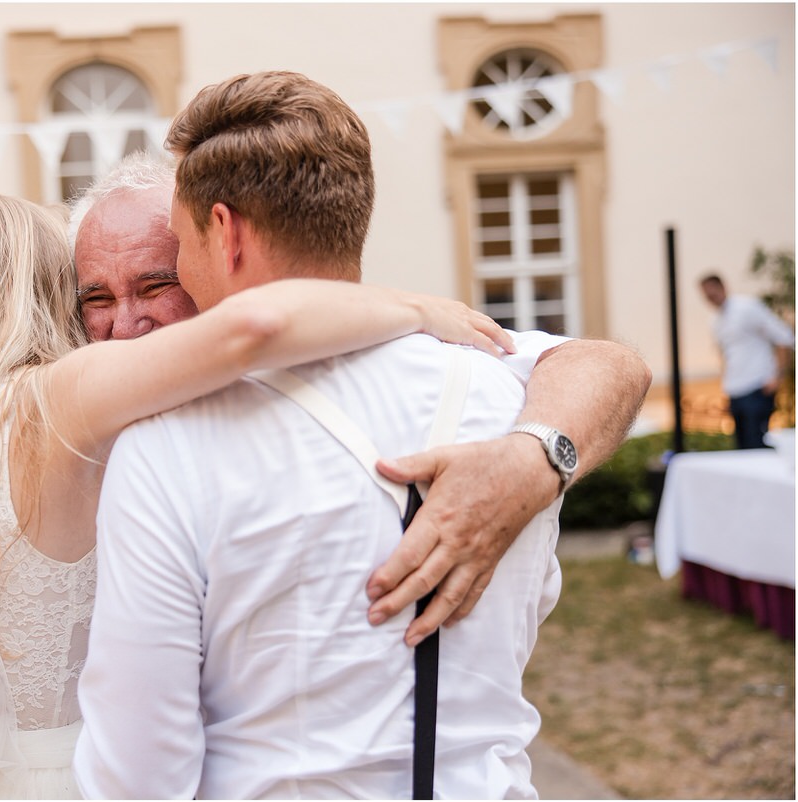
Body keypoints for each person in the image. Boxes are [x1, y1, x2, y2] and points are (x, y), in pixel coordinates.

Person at [0, 193, 514, 798]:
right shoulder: (48, 402)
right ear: (38, 290)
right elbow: (252, 330)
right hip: (68, 776)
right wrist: (412, 306)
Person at [72, 71, 651, 799]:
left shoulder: (167, 450)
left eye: (180, 249)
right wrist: (538, 453)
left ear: (225, 233)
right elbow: (616, 365)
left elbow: (138, 777)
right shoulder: (510, 396)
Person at [69, 151, 651, 643]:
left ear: (209, 256)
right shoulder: (67, 400)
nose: (125, 325)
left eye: (155, 285)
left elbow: (613, 365)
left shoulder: (330, 357)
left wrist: (531, 459)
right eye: (97, 299)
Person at [699, 273, 795, 449]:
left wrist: (777, 377)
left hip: (757, 386)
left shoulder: (747, 307)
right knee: (742, 449)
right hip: (735, 391)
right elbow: (726, 355)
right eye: (707, 297)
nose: (711, 299)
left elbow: (784, 338)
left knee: (756, 446)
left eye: (712, 294)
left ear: (723, 287)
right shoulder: (715, 320)